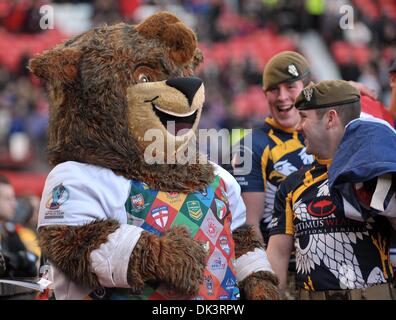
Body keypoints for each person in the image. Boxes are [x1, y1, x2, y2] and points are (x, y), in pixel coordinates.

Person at [267, 80, 395, 300]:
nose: (298, 127)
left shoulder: (377, 173)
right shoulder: (291, 185)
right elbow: (277, 254)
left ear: (330, 118)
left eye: (304, 117)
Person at [230, 51, 315, 245]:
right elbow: (249, 226)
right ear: (264, 93)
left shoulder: (328, 132)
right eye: (274, 89)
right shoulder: (249, 147)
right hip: (285, 265)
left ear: (308, 89)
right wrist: (267, 272)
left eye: (290, 87)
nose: (282, 97)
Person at [0, 175, 39, 299]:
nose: (14, 204)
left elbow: (32, 265)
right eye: (7, 199)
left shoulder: (9, 232)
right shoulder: (13, 230)